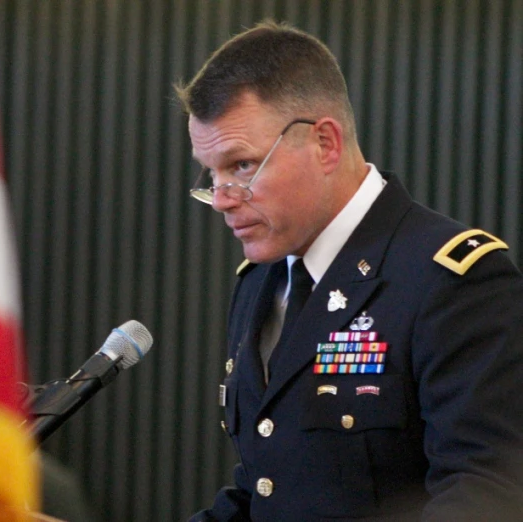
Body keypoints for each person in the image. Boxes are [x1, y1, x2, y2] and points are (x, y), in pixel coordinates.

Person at [176, 20, 523, 521]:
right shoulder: (260, 283)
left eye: (243, 166)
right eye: (212, 174)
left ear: (325, 143)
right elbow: (266, 493)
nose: (223, 199)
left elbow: (488, 491)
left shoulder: (452, 280)